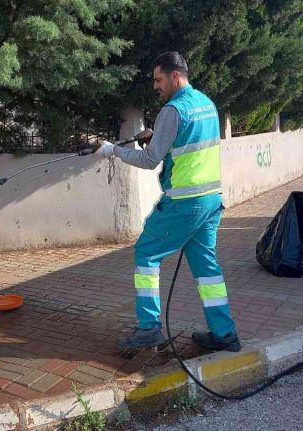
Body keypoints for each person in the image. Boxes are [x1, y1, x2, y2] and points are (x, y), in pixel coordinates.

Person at [97, 51, 241, 352]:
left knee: (146, 253)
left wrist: (114, 151)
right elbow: (186, 143)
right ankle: (224, 334)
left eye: (158, 79)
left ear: (176, 76)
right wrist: (156, 135)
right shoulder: (206, 104)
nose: (155, 86)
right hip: (210, 201)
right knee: (206, 267)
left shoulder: (173, 111)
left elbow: (150, 160)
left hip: (183, 203)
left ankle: (148, 328)